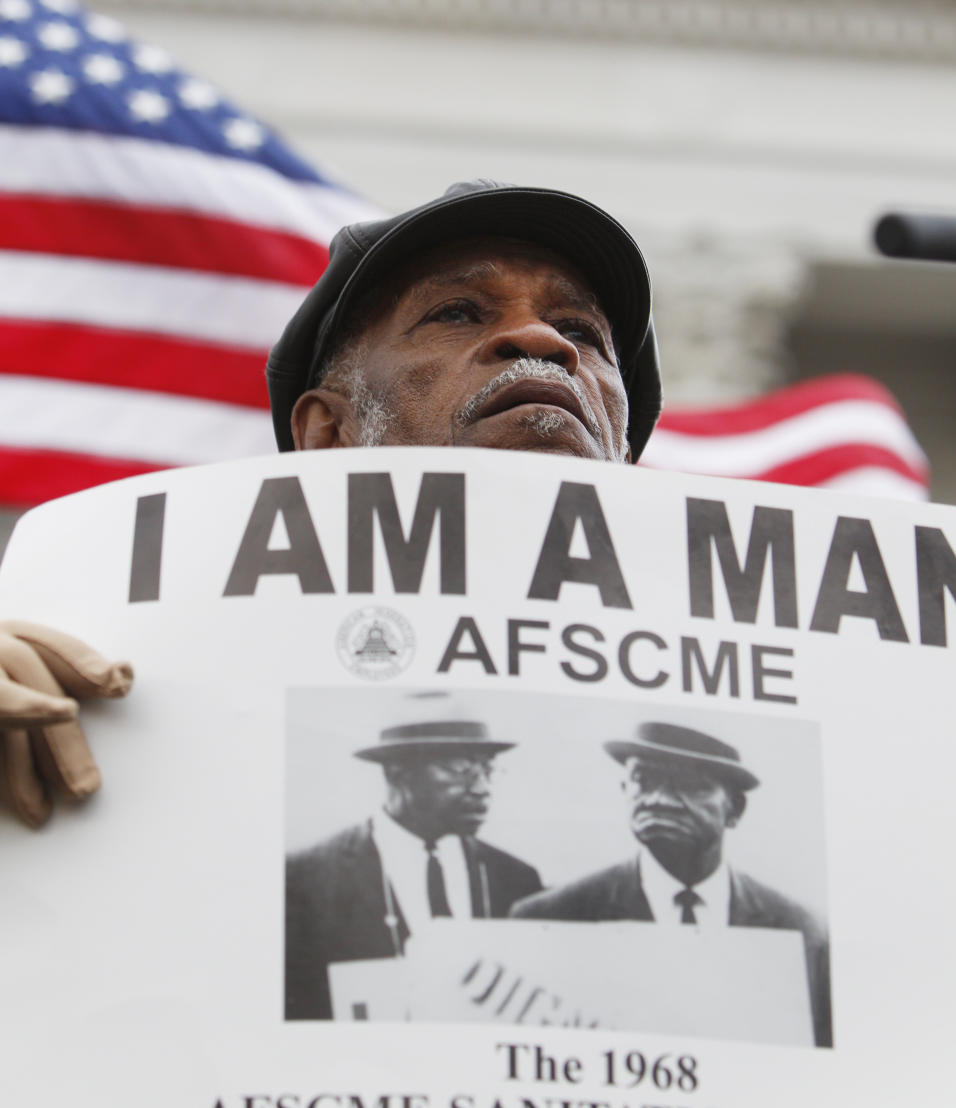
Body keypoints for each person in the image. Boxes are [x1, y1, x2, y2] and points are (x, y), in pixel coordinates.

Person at [0, 179, 661, 827]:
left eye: (581, 329)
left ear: (628, 457)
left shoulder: (746, 663)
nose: (545, 342)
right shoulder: (130, 648)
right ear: (329, 434)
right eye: (457, 312)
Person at [509, 721, 833, 1048]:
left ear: (734, 809)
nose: (660, 799)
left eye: (689, 784)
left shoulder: (802, 932)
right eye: (643, 781)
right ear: (625, 790)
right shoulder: (551, 919)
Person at [284, 718, 542, 1019]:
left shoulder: (516, 880)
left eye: (487, 769)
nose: (482, 788)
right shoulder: (306, 879)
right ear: (396, 771)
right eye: (460, 767)